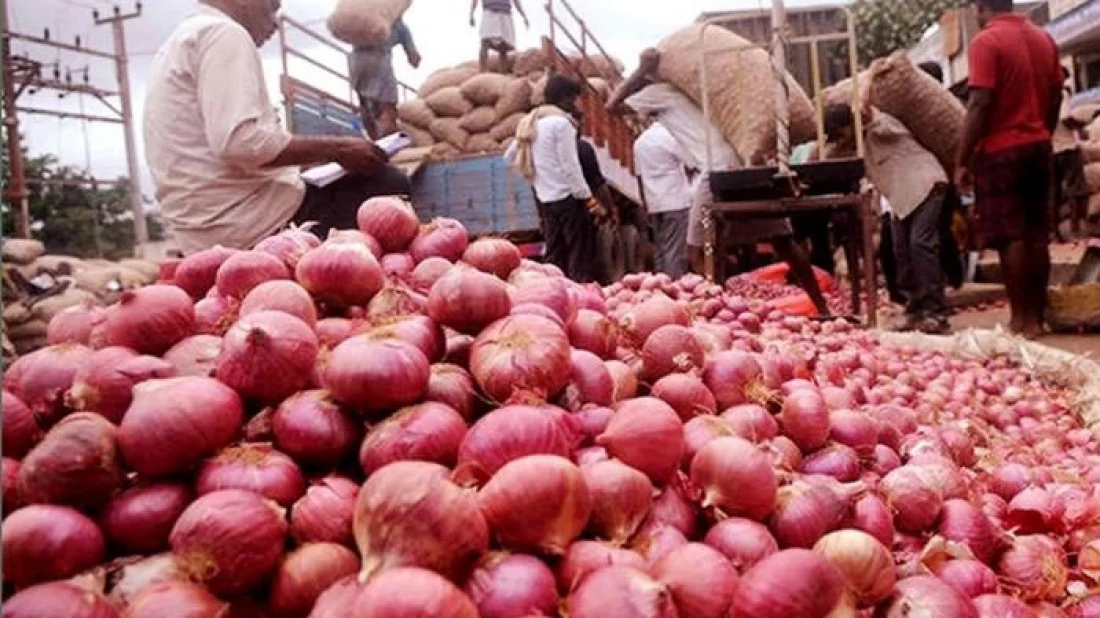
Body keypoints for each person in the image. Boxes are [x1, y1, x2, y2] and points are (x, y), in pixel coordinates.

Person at [143, 0, 411, 255]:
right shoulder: (224, 35)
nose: (274, 23)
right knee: (386, 183)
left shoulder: (180, 42)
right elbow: (240, 143)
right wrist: (338, 149)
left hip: (203, 231)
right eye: (272, 7)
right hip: (252, 224)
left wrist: (305, 161)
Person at [608, 48, 830, 315]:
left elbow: (611, 106)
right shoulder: (704, 91)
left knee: (699, 250)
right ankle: (822, 306)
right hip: (746, 164)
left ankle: (723, 313)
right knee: (782, 241)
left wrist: (641, 70)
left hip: (716, 175)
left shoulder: (660, 93)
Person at [956, 0, 1063, 339]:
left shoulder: (986, 42)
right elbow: (1056, 92)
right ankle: (1038, 317)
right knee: (1037, 233)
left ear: (980, 8)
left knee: (1010, 235)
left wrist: (963, 157)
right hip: (1038, 144)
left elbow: (980, 102)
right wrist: (1043, 129)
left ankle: (1020, 321)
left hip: (1001, 150)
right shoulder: (1043, 38)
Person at [825, 104, 951, 333]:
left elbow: (877, 120)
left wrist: (866, 110)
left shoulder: (883, 127)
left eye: (841, 133)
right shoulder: (861, 146)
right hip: (903, 198)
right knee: (900, 250)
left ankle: (936, 312)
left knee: (920, 244)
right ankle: (914, 309)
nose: (840, 140)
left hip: (926, 185)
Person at [506, 76, 606, 282]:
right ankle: (579, 292)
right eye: (577, 98)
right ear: (567, 98)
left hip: (546, 199)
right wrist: (589, 198)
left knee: (554, 250)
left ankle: (552, 288)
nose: (578, 103)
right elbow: (571, 167)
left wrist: (540, 175)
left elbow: (509, 156)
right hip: (569, 198)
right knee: (579, 251)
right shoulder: (561, 124)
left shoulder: (531, 122)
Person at [634, 119, 692, 279]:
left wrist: (645, 203)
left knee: (660, 249)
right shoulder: (670, 137)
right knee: (674, 249)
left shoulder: (639, 142)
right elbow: (691, 162)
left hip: (654, 203)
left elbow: (639, 176)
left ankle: (659, 283)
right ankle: (673, 285)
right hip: (675, 201)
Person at [349, 18, 421, 138]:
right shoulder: (399, 26)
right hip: (379, 60)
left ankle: (374, 140)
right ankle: (386, 145)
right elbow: (414, 59)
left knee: (366, 106)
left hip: (356, 63)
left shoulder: (364, 18)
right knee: (388, 107)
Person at [1053, 67, 1090, 236]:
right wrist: (1081, 126)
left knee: (1054, 192)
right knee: (1076, 189)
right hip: (1066, 146)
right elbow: (1066, 118)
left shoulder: (1040, 95)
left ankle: (1054, 233)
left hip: (1051, 149)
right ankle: (1075, 229)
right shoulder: (1061, 93)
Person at [469, 0, 528, 74]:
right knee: (485, 41)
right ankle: (482, 71)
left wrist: (524, 16)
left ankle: (503, 73)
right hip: (490, 12)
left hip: (505, 13)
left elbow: (516, 1)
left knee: (503, 46)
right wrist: (471, 14)